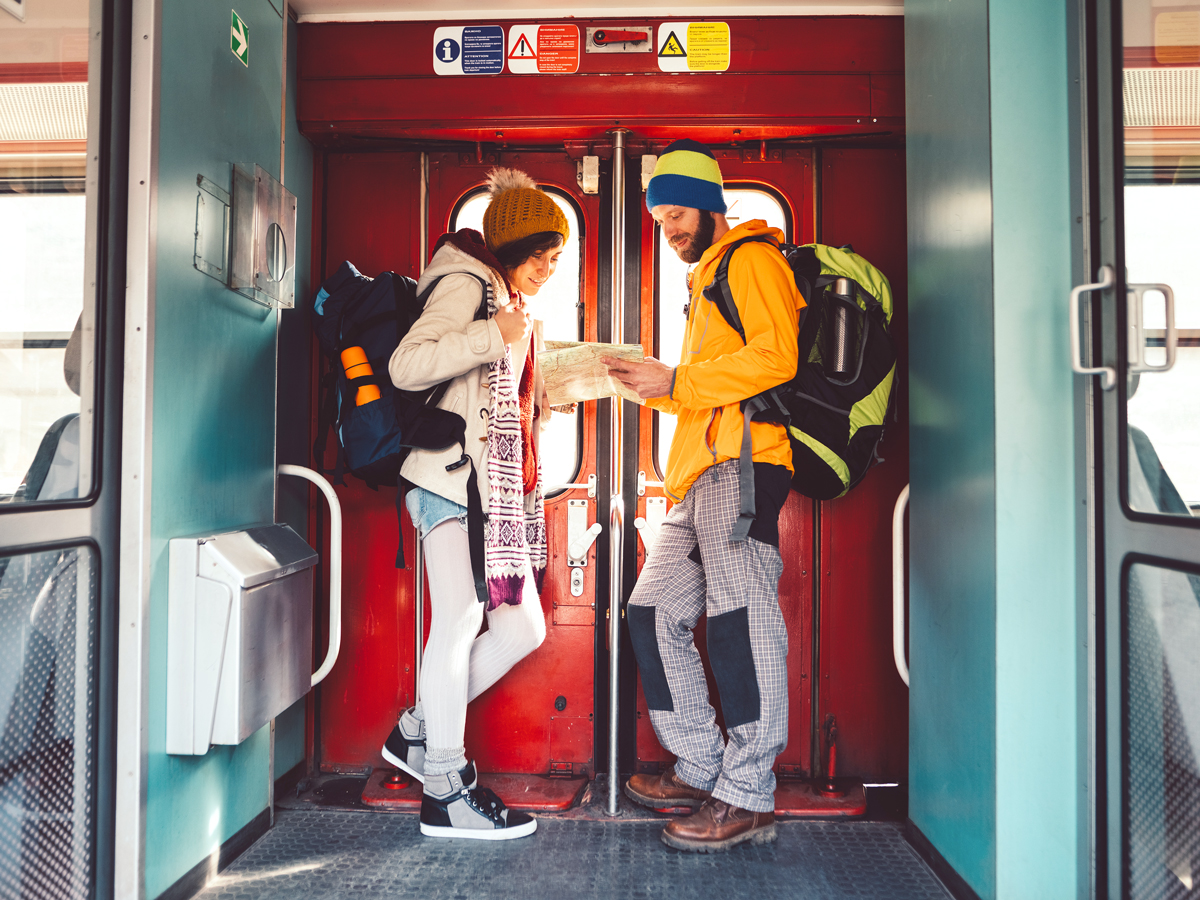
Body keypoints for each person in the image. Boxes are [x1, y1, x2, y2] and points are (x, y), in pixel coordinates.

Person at [605, 139, 804, 852]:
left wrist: (679, 383)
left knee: (740, 623)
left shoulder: (752, 260)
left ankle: (748, 793)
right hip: (699, 474)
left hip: (743, 466)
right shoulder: (709, 277)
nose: (671, 230)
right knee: (652, 612)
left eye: (679, 213)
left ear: (713, 204)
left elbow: (778, 356)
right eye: (661, 220)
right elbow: (710, 388)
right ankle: (701, 764)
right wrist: (654, 382)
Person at [384, 168, 569, 840]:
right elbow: (408, 365)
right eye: (546, 251)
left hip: (485, 488)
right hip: (447, 479)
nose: (553, 265)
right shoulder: (465, 282)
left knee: (522, 628)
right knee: (459, 619)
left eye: (560, 255)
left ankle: (414, 735)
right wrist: (495, 335)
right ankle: (445, 787)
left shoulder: (506, 297)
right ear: (514, 243)